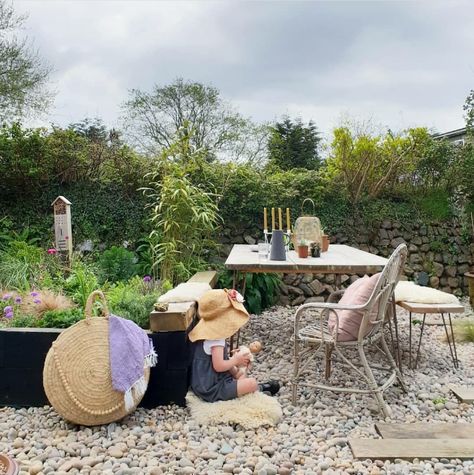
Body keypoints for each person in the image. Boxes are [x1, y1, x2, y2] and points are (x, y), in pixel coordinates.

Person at [188, 288, 280, 402]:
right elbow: (219, 366)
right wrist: (236, 360)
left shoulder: (208, 335)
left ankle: (244, 385)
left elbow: (218, 362)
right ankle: (258, 389)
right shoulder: (216, 340)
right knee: (251, 383)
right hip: (211, 389)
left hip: (206, 382)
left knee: (240, 374)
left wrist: (237, 368)